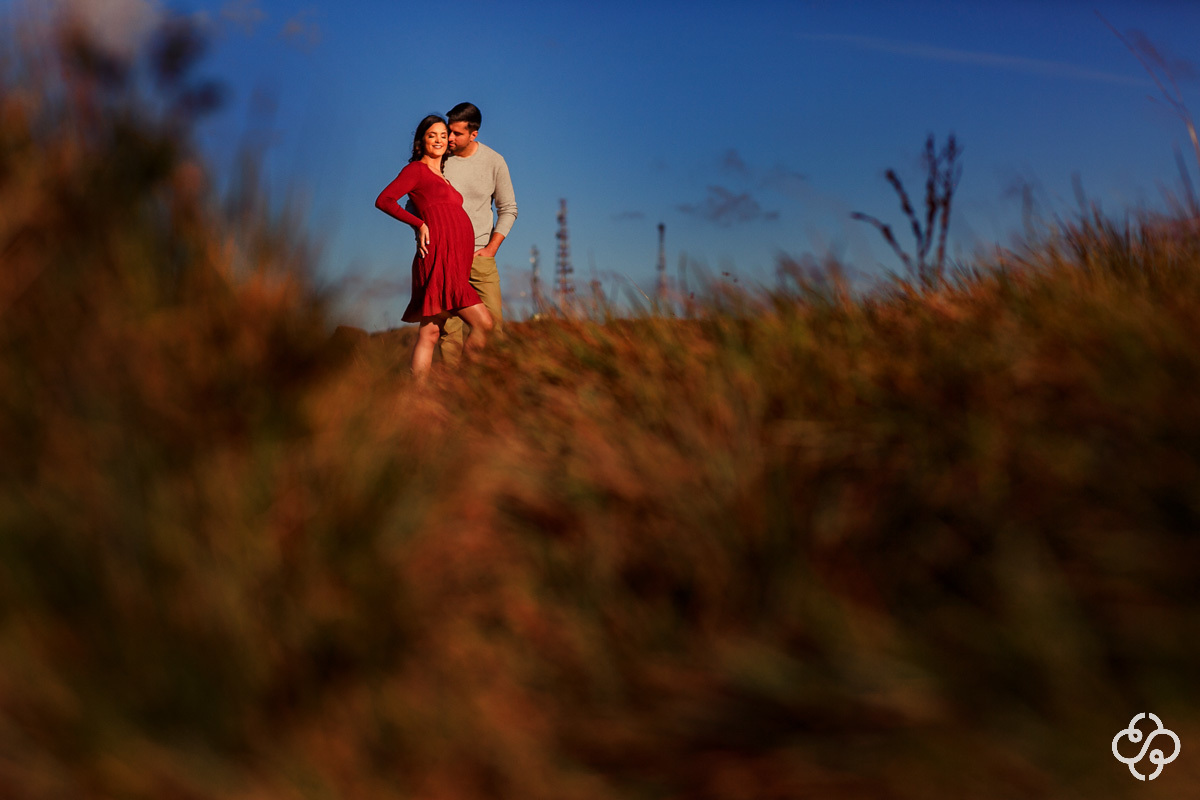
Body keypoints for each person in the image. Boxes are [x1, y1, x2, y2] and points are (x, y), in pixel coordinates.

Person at [375, 114, 494, 380]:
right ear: (421, 141)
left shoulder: (443, 177)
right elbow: (385, 200)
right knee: (484, 323)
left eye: (443, 135)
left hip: (456, 257)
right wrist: (418, 224)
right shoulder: (415, 170)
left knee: (430, 331)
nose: (439, 140)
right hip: (438, 256)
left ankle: (417, 396)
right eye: (432, 135)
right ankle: (464, 384)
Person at [437, 102, 517, 366]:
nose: (449, 138)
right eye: (449, 131)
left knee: (493, 327)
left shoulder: (494, 161)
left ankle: (477, 383)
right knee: (449, 334)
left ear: (474, 134)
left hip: (480, 257)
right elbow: (416, 203)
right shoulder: (439, 160)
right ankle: (449, 394)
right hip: (445, 259)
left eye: (457, 133)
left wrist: (492, 248)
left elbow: (508, 209)